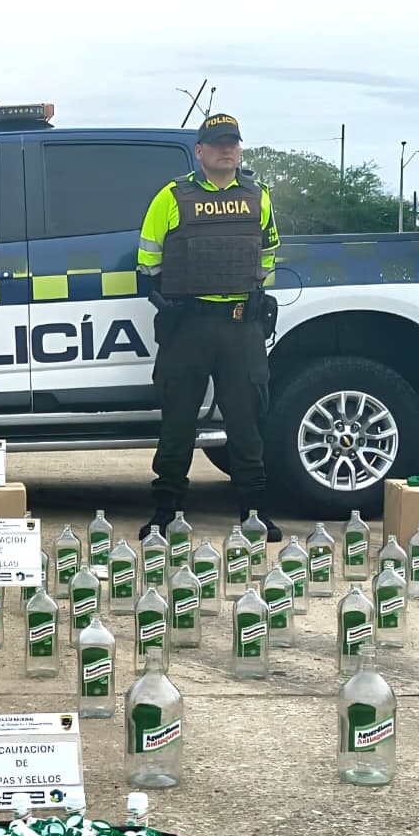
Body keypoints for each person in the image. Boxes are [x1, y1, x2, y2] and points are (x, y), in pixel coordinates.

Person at [135, 112, 282, 542]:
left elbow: (269, 253)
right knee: (177, 422)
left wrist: (250, 290)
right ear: (199, 151)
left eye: (232, 142)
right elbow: (148, 260)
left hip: (241, 326)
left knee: (246, 423)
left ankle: (254, 512)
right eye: (217, 142)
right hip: (190, 326)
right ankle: (165, 512)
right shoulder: (171, 196)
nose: (226, 149)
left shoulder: (260, 196)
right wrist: (173, 298)